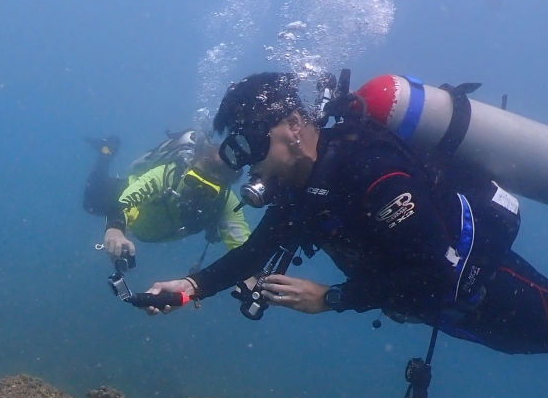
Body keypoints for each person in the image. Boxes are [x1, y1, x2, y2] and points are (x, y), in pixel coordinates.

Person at [143, 71, 548, 356]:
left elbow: (436, 270)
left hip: (495, 290)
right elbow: (254, 252)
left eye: (253, 144)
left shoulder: (371, 168)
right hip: (451, 313)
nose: (250, 164)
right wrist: (190, 286)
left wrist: (331, 297)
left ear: (294, 125)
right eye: (240, 151)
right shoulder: (299, 190)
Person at [83, 131, 251, 263]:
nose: (197, 191)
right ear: (188, 167)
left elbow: (241, 245)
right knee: (90, 202)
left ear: (223, 189)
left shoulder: (226, 203)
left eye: (209, 190)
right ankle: (107, 150)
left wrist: (249, 274)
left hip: (151, 228)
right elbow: (122, 203)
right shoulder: (167, 175)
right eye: (192, 180)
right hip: (130, 189)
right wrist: (115, 229)